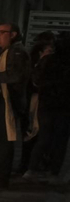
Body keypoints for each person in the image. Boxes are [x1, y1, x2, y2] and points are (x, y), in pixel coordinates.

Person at [24, 32, 70, 181]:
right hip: (64, 105)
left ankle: (32, 169)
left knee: (44, 137)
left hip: (46, 103)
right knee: (60, 140)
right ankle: (54, 172)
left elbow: (36, 80)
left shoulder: (47, 60)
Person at [0, 23, 29, 188]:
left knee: (6, 140)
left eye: (2, 33)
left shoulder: (16, 52)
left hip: (10, 100)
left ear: (13, 34)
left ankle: (0, 178)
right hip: (7, 98)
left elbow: (17, 77)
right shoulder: (7, 51)